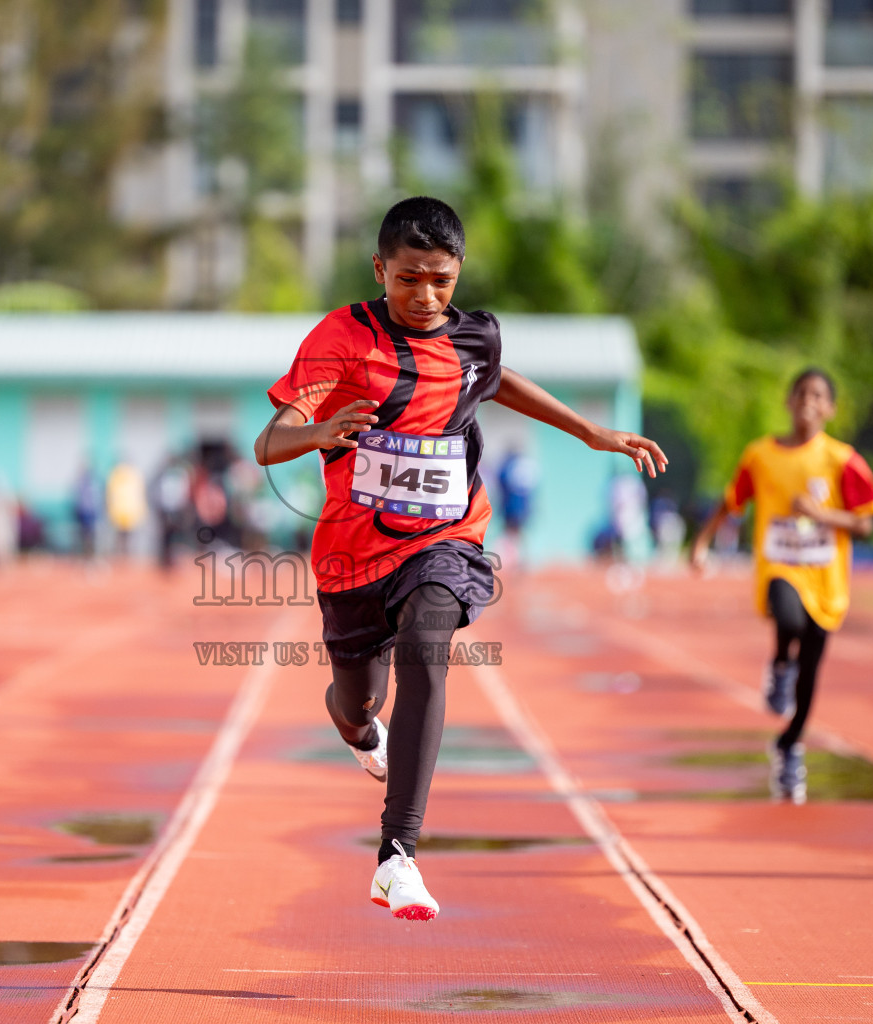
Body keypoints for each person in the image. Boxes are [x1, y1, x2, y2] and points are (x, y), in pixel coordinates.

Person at [254, 196, 667, 922]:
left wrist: (589, 431)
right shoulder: (341, 338)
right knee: (359, 703)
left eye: (441, 280)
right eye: (410, 278)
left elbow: (495, 379)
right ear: (380, 269)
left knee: (426, 646)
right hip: (352, 556)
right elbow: (269, 441)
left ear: (459, 273)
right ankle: (357, 729)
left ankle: (397, 855)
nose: (426, 296)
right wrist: (320, 432)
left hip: (447, 537)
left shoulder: (476, 337)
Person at [690, 368, 873, 803]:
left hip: (826, 578)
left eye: (818, 395)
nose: (808, 401)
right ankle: (779, 664)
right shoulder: (761, 455)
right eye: (801, 393)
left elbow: (866, 524)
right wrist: (701, 542)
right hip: (780, 566)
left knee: (812, 671)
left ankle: (789, 746)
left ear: (830, 408)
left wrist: (820, 515)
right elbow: (731, 500)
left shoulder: (842, 460)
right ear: (788, 401)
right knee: (788, 617)